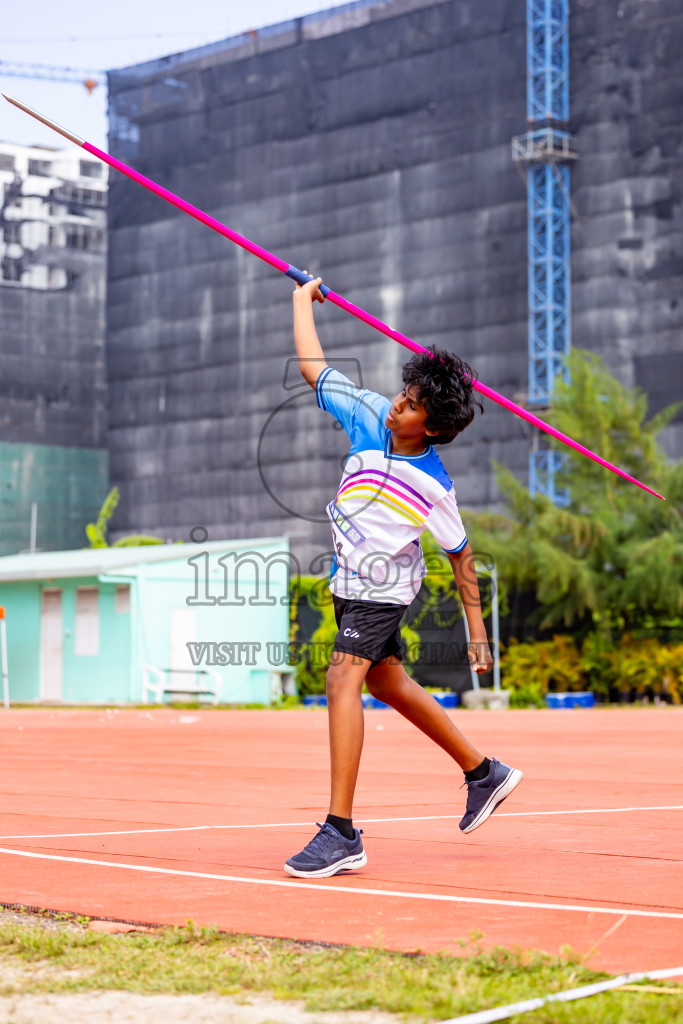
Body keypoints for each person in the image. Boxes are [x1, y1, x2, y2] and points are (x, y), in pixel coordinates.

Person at [284, 276, 522, 879]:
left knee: (343, 681)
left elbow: (461, 557)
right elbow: (315, 369)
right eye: (405, 392)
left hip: (383, 592)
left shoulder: (436, 486)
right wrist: (299, 302)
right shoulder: (367, 413)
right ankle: (483, 771)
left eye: (414, 404)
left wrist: (477, 632)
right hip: (348, 586)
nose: (399, 404)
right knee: (387, 685)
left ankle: (340, 832)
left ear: (434, 427)